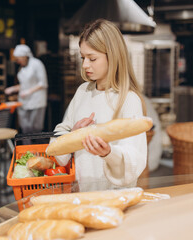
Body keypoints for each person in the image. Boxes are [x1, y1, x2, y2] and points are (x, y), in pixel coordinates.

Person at [53, 19, 147, 190]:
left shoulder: (128, 99)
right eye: (83, 57)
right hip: (83, 193)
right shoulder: (82, 91)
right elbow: (60, 136)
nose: (85, 65)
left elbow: (135, 158)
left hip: (116, 198)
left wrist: (108, 153)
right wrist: (72, 134)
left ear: (113, 56)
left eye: (92, 58)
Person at [5, 44, 48, 136]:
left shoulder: (37, 64)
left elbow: (43, 83)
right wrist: (12, 89)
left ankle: (36, 148)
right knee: (25, 129)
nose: (17, 61)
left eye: (18, 59)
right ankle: (26, 148)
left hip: (36, 101)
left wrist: (28, 91)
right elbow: (24, 85)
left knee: (35, 129)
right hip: (24, 102)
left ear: (25, 56)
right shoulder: (22, 68)